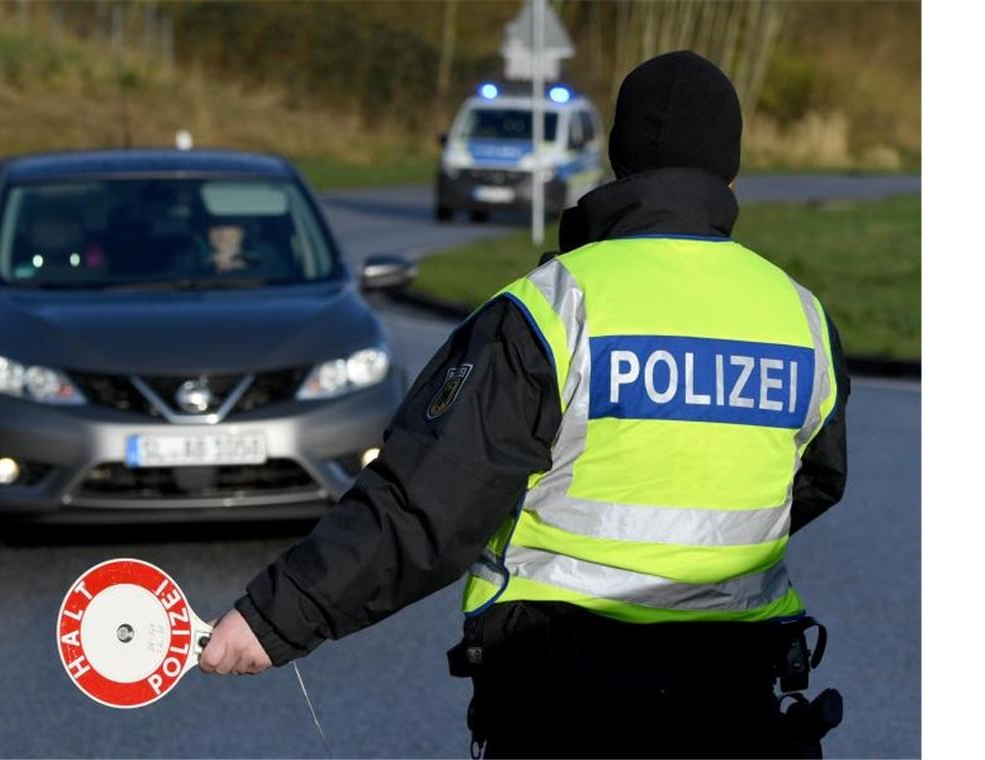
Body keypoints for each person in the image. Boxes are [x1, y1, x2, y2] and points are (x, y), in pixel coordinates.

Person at [199, 50, 849, 759]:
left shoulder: (553, 308)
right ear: (732, 173)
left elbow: (427, 503)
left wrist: (273, 619)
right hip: (737, 706)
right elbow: (813, 482)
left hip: (568, 703)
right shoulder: (800, 317)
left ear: (617, 160)